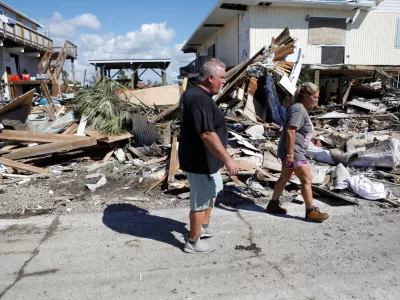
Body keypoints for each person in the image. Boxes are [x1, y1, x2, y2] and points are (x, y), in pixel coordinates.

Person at [179, 58, 239, 254]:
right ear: (211, 78)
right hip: (200, 162)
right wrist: (228, 159)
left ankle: (202, 228)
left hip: (207, 161)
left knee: (214, 190)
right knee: (201, 200)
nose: (224, 82)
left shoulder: (198, 95)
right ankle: (193, 241)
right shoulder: (199, 99)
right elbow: (207, 133)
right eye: (222, 78)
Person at [265, 82, 329, 222]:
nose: (316, 101)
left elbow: (298, 130)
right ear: (305, 96)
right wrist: (290, 154)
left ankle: (273, 203)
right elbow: (290, 130)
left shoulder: (299, 108)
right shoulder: (299, 109)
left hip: (292, 151)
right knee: (306, 179)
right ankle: (310, 211)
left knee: (285, 177)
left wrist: (311, 138)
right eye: (315, 97)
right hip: (294, 152)